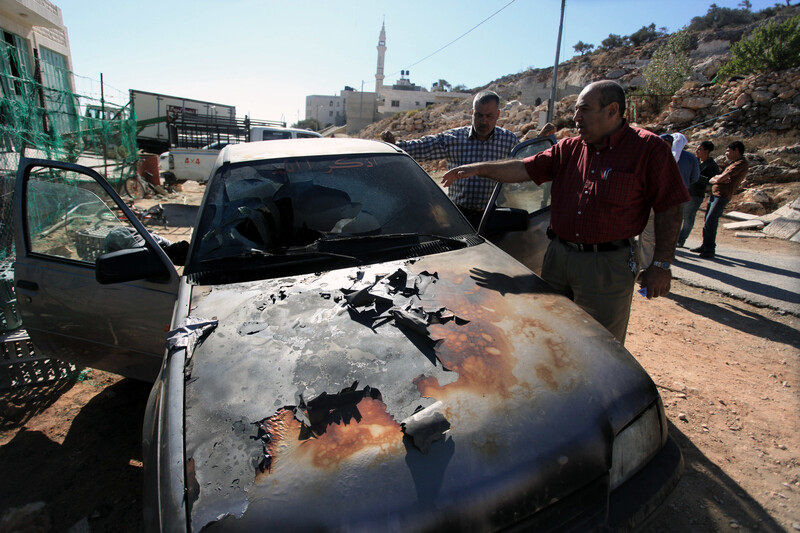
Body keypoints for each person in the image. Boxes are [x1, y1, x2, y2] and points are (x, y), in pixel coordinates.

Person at [440, 80, 689, 344]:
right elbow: (523, 168)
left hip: (606, 265)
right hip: (558, 257)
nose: (575, 117)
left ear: (612, 110)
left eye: (584, 109)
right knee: (552, 332)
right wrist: (479, 168)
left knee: (602, 342)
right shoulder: (569, 148)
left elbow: (670, 208)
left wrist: (661, 264)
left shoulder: (648, 149)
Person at [380, 90, 518, 227]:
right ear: (472, 113)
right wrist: (395, 146)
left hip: (493, 216)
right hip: (460, 216)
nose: (483, 121)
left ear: (498, 114)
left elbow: (523, 170)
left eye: (489, 116)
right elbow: (424, 147)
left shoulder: (509, 141)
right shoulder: (454, 139)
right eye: (479, 115)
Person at [638, 133, 699, 267]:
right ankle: (665, 257)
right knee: (671, 227)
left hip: (654, 199)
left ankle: (645, 264)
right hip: (678, 198)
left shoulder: (653, 155)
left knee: (648, 233)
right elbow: (695, 177)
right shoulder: (690, 158)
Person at [691, 141, 748, 259]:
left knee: (711, 220)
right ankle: (705, 245)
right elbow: (716, 179)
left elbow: (720, 178)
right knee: (707, 220)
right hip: (715, 193)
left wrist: (717, 179)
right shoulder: (733, 163)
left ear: (736, 150)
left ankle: (709, 249)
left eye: (728, 151)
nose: (726, 153)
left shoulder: (741, 163)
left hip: (722, 195)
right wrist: (716, 179)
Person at [677, 140, 720, 247]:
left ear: (707, 151)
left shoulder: (711, 165)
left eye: (699, 149)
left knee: (688, 217)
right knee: (679, 216)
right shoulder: (695, 160)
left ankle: (681, 239)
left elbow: (712, 180)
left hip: (696, 194)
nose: (697, 151)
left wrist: (696, 176)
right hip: (686, 191)